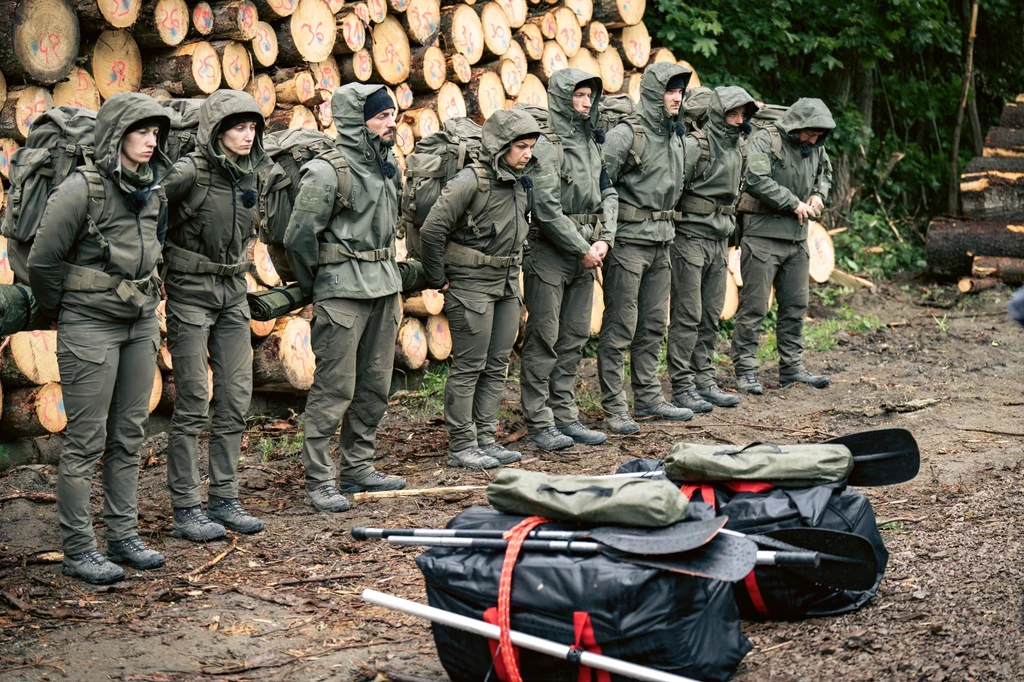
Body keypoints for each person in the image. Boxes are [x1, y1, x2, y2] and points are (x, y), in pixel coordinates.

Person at [29, 93, 170, 583]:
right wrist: (64, 310)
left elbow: (156, 250)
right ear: (117, 136)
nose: (151, 141)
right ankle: (78, 548)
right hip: (90, 325)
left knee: (129, 435)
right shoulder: (79, 189)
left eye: (156, 133)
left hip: (141, 323)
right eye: (141, 132)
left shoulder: (155, 190)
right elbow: (42, 262)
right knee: (85, 442)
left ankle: (123, 535)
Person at [284, 84, 406, 513]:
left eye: (394, 114)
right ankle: (319, 481)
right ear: (359, 122)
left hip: (385, 288)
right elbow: (299, 236)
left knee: (375, 385)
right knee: (334, 389)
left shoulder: (389, 166)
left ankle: (358, 468)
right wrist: (318, 283)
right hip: (342, 292)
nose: (392, 122)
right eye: (382, 116)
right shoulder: (327, 171)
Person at [161, 90, 267, 541]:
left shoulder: (250, 173)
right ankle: (186, 507)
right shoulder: (188, 172)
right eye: (239, 128)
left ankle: (224, 498)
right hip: (189, 292)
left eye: (252, 128)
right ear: (218, 131)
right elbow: (145, 215)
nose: (248, 136)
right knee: (191, 402)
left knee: (236, 398)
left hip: (233, 293)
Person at [420, 109, 540, 468]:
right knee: (469, 365)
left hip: (506, 284)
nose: (528, 153)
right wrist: (436, 277)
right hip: (470, 284)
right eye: (521, 146)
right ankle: (461, 446)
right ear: (502, 145)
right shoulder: (471, 180)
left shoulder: (522, 181)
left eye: (531, 147)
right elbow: (432, 230)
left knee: (497, 363)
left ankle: (485, 438)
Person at [520, 69, 617, 452]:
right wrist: (581, 248)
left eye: (589, 96)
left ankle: (565, 415)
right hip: (550, 254)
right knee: (544, 338)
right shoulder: (546, 146)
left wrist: (605, 238)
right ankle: (539, 421)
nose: (586, 102)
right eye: (578, 95)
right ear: (562, 98)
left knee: (574, 336)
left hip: (588, 252)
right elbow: (545, 209)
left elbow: (609, 191)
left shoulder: (592, 142)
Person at [599, 62, 694, 435]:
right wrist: (606, 233)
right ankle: (614, 406)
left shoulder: (676, 136)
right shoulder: (627, 134)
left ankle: (649, 397)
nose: (677, 97)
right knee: (620, 325)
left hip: (662, 241)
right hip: (628, 242)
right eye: (671, 90)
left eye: (681, 91)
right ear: (655, 92)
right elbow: (601, 183)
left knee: (654, 323)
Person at [731, 97, 835, 394]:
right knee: (754, 307)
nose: (813, 140)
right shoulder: (766, 140)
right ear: (796, 126)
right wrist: (792, 202)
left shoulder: (815, 147)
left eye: (818, 135)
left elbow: (825, 174)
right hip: (763, 235)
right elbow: (755, 178)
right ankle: (746, 370)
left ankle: (792, 368)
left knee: (795, 306)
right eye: (809, 134)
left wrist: (818, 195)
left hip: (797, 238)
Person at [668, 87, 758, 414]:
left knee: (710, 314)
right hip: (689, 237)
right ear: (718, 113)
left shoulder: (740, 149)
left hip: (720, 239)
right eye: (732, 114)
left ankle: (704, 380)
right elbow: (672, 187)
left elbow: (740, 193)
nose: (737, 121)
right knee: (688, 313)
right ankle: (681, 385)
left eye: (742, 115)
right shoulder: (696, 145)